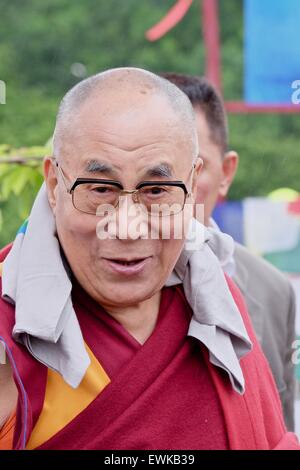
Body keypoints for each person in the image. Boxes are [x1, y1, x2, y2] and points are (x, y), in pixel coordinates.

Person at [0, 67, 299, 450]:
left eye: (157, 190)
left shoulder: (217, 305)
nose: (126, 226)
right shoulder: (9, 330)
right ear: (55, 186)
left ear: (192, 186)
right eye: (100, 189)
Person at [162, 72, 296, 431]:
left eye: (196, 164)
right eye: (157, 169)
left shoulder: (273, 290)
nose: (176, 186)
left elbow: (277, 426)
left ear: (226, 171)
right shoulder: (85, 277)